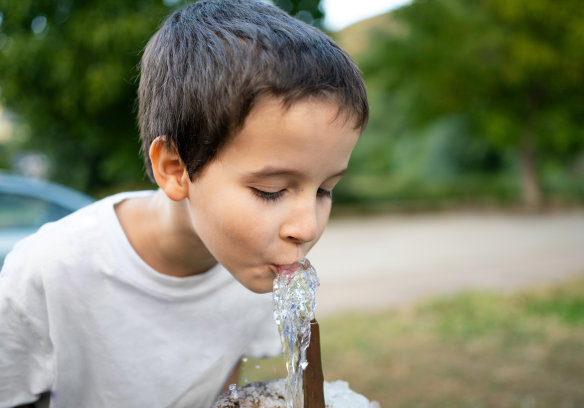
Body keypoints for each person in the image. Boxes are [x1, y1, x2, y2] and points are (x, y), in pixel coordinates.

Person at [0, 0, 369, 406]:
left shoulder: (254, 269)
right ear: (175, 168)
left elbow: (220, 392)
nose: (308, 227)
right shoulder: (50, 270)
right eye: (271, 190)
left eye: (324, 190)